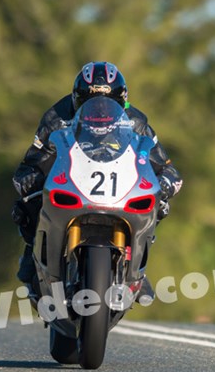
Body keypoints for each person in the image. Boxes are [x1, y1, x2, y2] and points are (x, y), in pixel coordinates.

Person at [11, 61, 183, 300]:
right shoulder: (56, 117)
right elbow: (32, 160)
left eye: (110, 102)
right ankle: (33, 256)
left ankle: (137, 271)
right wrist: (31, 177)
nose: (101, 109)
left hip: (118, 182)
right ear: (75, 98)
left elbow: (165, 166)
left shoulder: (137, 122)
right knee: (28, 203)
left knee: (159, 204)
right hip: (72, 176)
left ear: (122, 100)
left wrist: (166, 181)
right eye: (88, 101)